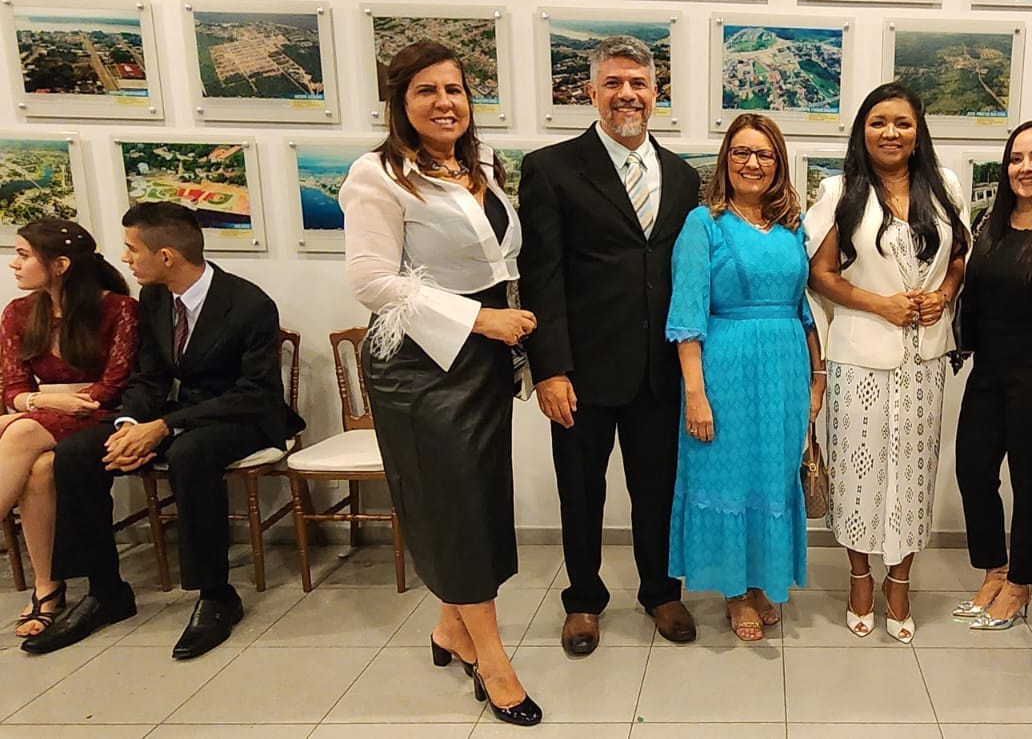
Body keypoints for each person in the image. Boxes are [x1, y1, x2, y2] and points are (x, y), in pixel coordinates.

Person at [341, 41, 541, 726]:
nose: (444, 102)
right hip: (420, 365)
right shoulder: (376, 175)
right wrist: (481, 318)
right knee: (453, 506)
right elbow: (371, 280)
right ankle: (492, 659)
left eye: (454, 89)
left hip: (483, 360)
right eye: (425, 91)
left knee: (478, 500)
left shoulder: (483, 165)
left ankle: (451, 628)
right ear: (400, 103)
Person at [21, 201, 303, 661]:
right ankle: (105, 590)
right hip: (179, 413)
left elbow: (255, 392)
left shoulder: (249, 304)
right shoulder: (153, 299)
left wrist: (163, 427)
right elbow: (148, 377)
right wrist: (129, 425)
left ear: (166, 256)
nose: (125, 259)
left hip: (244, 416)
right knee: (77, 452)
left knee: (191, 454)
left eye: (132, 249)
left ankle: (216, 594)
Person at [519, 35, 701, 656]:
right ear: (591, 92)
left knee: (658, 491)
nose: (627, 94)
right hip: (582, 372)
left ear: (656, 93)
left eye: (639, 83)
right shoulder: (551, 168)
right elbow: (541, 276)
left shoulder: (683, 176)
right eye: (614, 83)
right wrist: (550, 369)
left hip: (659, 371)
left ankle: (661, 592)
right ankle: (583, 600)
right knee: (581, 492)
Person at [806, 82, 969, 644]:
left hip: (924, 361)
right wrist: (881, 304)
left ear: (918, 132)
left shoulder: (944, 187)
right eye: (878, 122)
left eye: (902, 122)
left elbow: (960, 257)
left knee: (914, 474)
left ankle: (899, 581)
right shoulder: (839, 191)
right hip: (860, 359)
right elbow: (821, 275)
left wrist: (944, 294)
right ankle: (859, 578)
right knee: (859, 474)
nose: (890, 132)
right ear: (863, 131)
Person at [665, 113, 822, 641]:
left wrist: (817, 375)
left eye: (764, 154)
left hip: (785, 372)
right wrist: (695, 394)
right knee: (728, 479)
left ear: (778, 164)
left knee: (773, 477)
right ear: (725, 161)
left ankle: (762, 582)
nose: (753, 163)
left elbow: (802, 309)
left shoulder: (791, 226)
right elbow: (687, 315)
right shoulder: (703, 224)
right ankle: (735, 592)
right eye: (742, 152)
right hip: (725, 372)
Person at [951, 122, 1032, 632]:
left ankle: (1022, 582)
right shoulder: (990, 224)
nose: (1026, 168)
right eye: (1017, 158)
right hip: (988, 369)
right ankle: (994, 570)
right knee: (973, 472)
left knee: (1030, 483)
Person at [1, 219, 137, 637]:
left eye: (23, 255)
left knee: (19, 431)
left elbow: (113, 385)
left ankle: (49, 589)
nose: (13, 264)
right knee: (39, 470)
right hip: (44, 416)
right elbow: (13, 388)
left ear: (60, 265)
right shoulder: (19, 312)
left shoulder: (118, 308)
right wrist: (45, 402)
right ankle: (48, 588)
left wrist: (40, 406)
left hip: (101, 416)